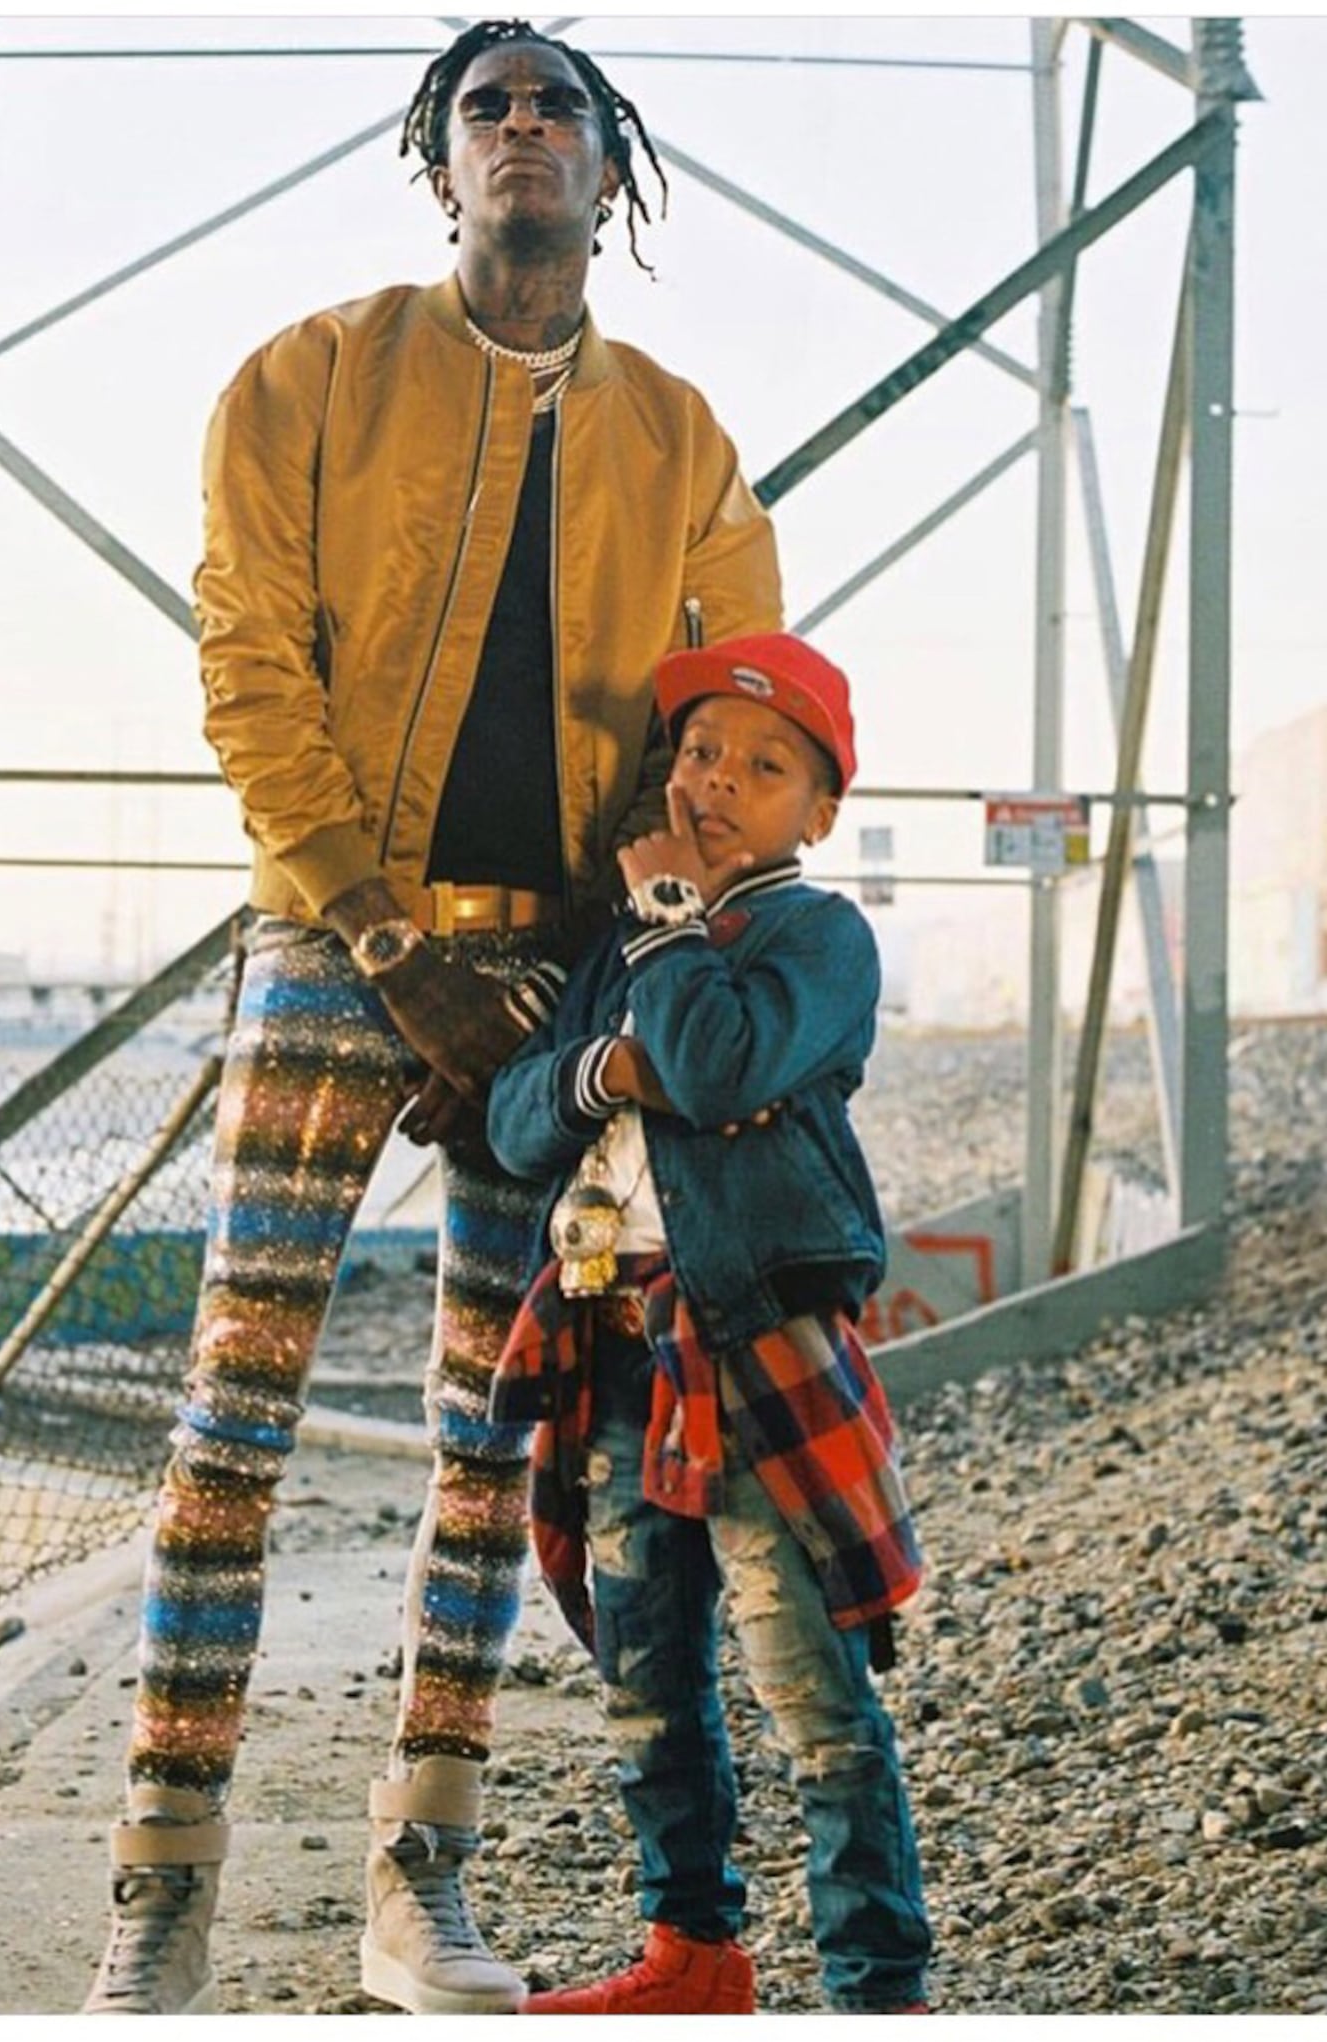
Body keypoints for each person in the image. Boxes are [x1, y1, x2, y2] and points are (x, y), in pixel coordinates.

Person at [80, 17, 782, 2021]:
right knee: (236, 1406)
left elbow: (727, 730)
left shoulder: (681, 439)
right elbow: (250, 671)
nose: (525, 127)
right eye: (488, 106)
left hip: (558, 979)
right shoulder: (306, 378)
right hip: (336, 935)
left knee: (493, 1429)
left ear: (611, 166)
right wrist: (390, 942)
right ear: (437, 160)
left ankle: (420, 1882)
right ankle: (163, 1888)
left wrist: (620, 952)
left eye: (562, 104)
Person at [487, 631, 933, 2015]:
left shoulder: (822, 939)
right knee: (648, 1673)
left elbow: (722, 1062)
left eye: (765, 765)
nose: (720, 780)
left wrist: (672, 929)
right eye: (698, 753)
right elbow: (515, 1118)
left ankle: (878, 1986)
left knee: (811, 1691)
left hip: (754, 1346)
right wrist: (606, 1065)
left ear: (821, 812)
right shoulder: (624, 947)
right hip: (620, 1339)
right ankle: (694, 1953)